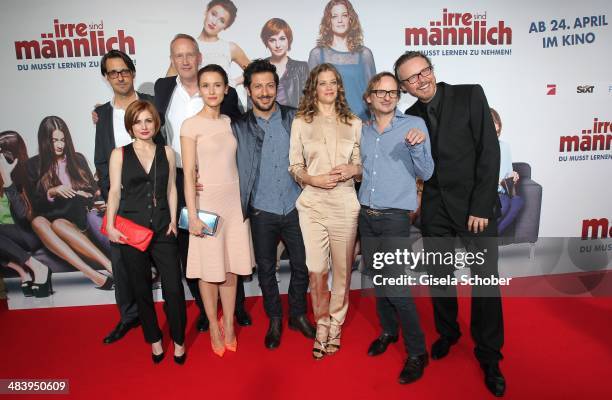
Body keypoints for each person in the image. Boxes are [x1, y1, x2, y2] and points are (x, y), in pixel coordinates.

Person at [395, 51, 505, 396]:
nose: (421, 80)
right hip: (435, 209)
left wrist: (481, 206)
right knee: (440, 276)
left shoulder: (470, 94)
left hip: (475, 208)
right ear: (404, 87)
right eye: (411, 78)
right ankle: (448, 333)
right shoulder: (409, 117)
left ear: (432, 70)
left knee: (485, 283)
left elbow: (489, 152)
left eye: (423, 71)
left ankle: (489, 354)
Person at [154, 33, 249, 333]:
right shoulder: (163, 87)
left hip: (227, 187)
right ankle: (207, 313)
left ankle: (236, 311)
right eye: (177, 55)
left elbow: (242, 136)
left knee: (231, 256)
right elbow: (145, 117)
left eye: (189, 54)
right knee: (195, 251)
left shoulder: (228, 106)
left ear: (199, 57)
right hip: (187, 179)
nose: (184, 60)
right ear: (172, 60)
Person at [232, 59, 315, 350]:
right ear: (248, 90)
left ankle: (298, 315)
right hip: (261, 209)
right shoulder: (239, 127)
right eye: (258, 86)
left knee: (302, 266)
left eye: (270, 85)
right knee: (266, 268)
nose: (265, 92)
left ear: (277, 87)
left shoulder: (296, 118)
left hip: (296, 206)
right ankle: (275, 319)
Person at [358, 72, 434, 384]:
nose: (388, 97)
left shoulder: (413, 126)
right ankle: (389, 331)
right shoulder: (361, 130)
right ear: (369, 97)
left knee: (398, 288)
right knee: (378, 281)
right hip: (366, 215)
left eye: (393, 92)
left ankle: (417, 352)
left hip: (394, 219)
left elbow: (426, 172)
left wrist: (417, 147)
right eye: (381, 91)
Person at [180, 64, 255, 357]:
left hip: (234, 205)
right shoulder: (190, 125)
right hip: (207, 204)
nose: (212, 91)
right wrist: (193, 214)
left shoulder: (231, 123)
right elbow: (188, 175)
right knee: (208, 271)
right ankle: (213, 324)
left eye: (217, 85)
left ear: (226, 89)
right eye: (206, 85)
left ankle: (231, 325)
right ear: (199, 89)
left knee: (231, 270)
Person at [289, 63, 362, 360]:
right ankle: (321, 321)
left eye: (333, 82)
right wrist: (311, 178)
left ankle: (336, 323)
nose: (328, 87)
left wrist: (352, 169)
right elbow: (294, 166)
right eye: (322, 83)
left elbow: (361, 168)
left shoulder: (354, 122)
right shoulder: (301, 122)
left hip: (345, 202)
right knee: (317, 270)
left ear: (339, 87)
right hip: (313, 203)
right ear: (314, 88)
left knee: (342, 272)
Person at [105, 100, 187, 364]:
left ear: (156, 124)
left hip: (164, 228)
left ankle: (178, 339)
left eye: (148, 121)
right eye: (138, 121)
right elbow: (114, 191)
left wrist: (174, 220)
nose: (143, 126)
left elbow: (172, 189)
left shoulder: (167, 152)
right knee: (141, 289)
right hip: (132, 230)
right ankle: (154, 339)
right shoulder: (119, 154)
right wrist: (109, 224)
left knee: (173, 289)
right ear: (130, 125)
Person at [94, 49, 158, 344]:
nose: (119, 76)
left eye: (124, 70)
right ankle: (128, 316)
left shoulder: (151, 106)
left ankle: (165, 315)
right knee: (121, 263)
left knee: (162, 257)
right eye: (113, 72)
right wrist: (111, 197)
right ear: (107, 78)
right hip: (120, 201)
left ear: (132, 72)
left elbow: (163, 150)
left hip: (152, 198)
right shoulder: (104, 114)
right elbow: (100, 160)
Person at [26, 116, 113, 290]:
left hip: (78, 222)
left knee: (58, 224)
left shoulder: (77, 159)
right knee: (38, 221)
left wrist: (81, 195)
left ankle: (111, 267)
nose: (59, 145)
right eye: (54, 140)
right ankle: (93, 275)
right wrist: (52, 191)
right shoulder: (33, 165)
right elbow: (36, 205)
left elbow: (93, 192)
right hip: (49, 223)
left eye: (62, 140)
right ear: (44, 141)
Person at [0, 131, 51, 297]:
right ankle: (22, 271)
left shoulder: (27, 175)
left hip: (29, 233)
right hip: (6, 236)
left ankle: (36, 266)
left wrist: (8, 180)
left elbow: (23, 216)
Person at [308, 0, 376, 120]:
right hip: (328, 122)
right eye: (334, 16)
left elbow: (373, 93)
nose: (340, 20)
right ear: (329, 21)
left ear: (350, 19)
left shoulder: (364, 54)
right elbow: (311, 94)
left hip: (361, 122)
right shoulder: (317, 54)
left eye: (344, 15)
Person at [167, 0, 250, 87]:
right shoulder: (187, 46)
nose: (214, 22)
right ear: (206, 11)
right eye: (213, 14)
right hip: (195, 99)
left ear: (226, 26)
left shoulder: (230, 47)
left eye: (222, 21)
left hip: (226, 99)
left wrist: (233, 82)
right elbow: (168, 82)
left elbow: (254, 71)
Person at [260, 18, 309, 108]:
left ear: (288, 40)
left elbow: (308, 102)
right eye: (272, 40)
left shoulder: (302, 67)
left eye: (282, 39)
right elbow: (252, 106)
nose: (278, 45)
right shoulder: (258, 68)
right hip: (265, 120)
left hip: (295, 120)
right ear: (266, 42)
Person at [491, 108, 524, 235]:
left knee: (518, 201)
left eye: (495, 122)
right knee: (503, 204)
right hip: (489, 193)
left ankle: (495, 234)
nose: (493, 125)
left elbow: (508, 172)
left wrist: (513, 175)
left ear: (499, 126)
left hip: (503, 190)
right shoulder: (478, 148)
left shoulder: (505, 146)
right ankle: (490, 237)